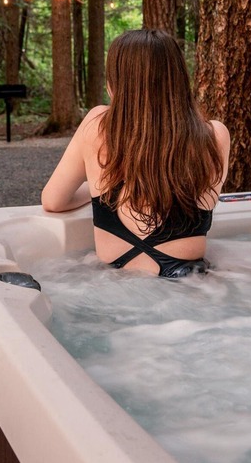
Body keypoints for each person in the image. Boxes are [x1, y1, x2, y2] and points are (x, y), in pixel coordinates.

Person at [41, 29, 231, 277]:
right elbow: (204, 199)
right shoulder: (214, 136)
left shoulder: (96, 125)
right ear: (179, 80)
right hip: (189, 284)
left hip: (115, 282)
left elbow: (54, 201)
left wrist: (100, 188)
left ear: (115, 83)